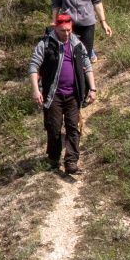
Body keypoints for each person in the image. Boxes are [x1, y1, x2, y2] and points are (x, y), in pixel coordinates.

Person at [28, 10, 96, 177]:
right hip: (53, 95)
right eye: (62, 31)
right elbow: (33, 67)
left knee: (74, 127)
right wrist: (36, 90)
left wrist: (92, 88)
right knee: (53, 127)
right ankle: (53, 158)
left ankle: (71, 162)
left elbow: (87, 65)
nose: (66, 34)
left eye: (68, 30)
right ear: (55, 29)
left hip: (73, 94)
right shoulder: (45, 44)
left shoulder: (77, 44)